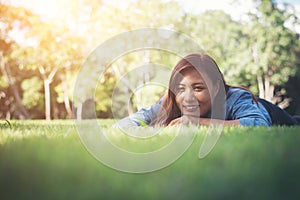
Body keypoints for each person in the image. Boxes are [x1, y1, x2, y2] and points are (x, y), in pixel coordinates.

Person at [114, 53, 300, 127]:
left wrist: (195, 122)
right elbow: (127, 123)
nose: (187, 98)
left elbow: (259, 124)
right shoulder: (171, 101)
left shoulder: (236, 98)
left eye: (198, 88)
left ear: (216, 87)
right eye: (180, 88)